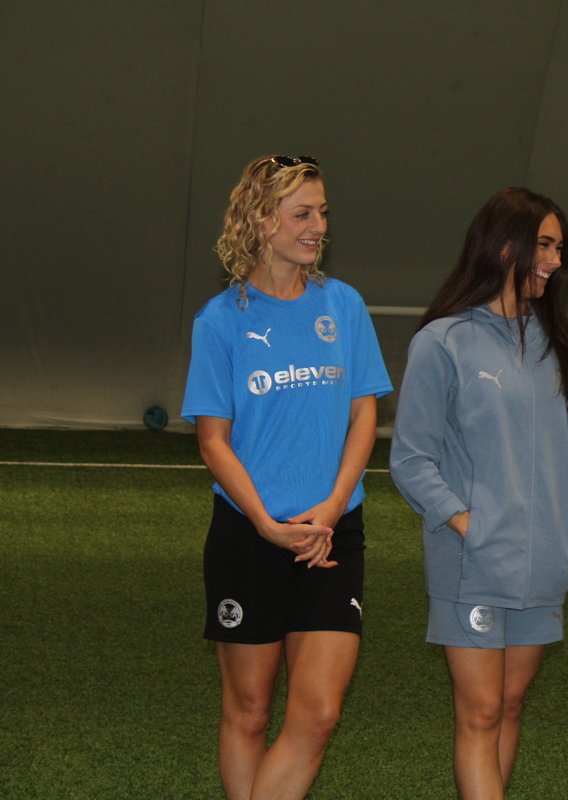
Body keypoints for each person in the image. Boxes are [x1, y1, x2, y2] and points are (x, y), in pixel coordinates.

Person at [181, 155, 392, 800]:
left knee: (319, 711)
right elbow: (213, 441)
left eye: (322, 212)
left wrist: (330, 509)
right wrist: (267, 524)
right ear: (259, 220)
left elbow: (365, 411)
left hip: (331, 534)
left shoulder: (344, 305)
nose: (318, 225)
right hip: (251, 535)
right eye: (303, 213)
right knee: (247, 710)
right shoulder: (221, 320)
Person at [389, 187, 568, 800]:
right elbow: (410, 458)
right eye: (545, 245)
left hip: (545, 561)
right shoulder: (443, 342)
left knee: (507, 707)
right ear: (504, 245)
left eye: (560, 248)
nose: (556, 261)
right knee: (478, 713)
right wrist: (467, 524)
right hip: (472, 562)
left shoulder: (561, 342)